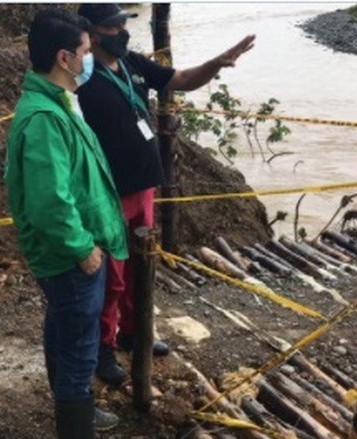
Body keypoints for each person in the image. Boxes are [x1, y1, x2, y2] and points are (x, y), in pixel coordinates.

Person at [75, 4, 256, 386]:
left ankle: (133, 332)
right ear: (90, 31)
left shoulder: (133, 64)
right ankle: (103, 349)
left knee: (141, 266)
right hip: (107, 191)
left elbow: (182, 78)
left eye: (125, 24)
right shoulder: (81, 78)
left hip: (145, 187)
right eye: (113, 26)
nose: (122, 32)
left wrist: (218, 62)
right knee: (112, 274)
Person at [4, 9, 128, 439]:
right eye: (84, 51)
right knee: (78, 357)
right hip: (71, 258)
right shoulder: (44, 119)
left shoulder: (57, 104)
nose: (89, 57)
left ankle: (72, 406)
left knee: (62, 330)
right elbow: (48, 203)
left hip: (70, 256)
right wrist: (84, 250)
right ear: (64, 58)